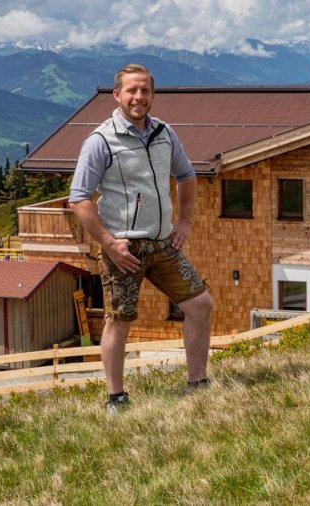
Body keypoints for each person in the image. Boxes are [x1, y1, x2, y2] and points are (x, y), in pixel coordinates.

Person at [69, 63, 214, 415]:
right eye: (132, 91)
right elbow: (79, 199)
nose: (139, 97)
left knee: (201, 305)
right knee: (119, 319)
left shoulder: (165, 132)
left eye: (145, 90)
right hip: (124, 249)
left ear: (152, 95)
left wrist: (185, 221)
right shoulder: (101, 141)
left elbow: (187, 175)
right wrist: (108, 243)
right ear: (117, 95)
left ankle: (198, 382)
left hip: (164, 243)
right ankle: (116, 397)